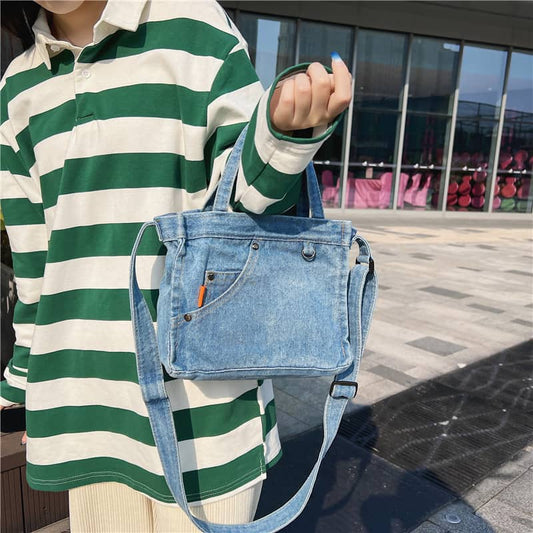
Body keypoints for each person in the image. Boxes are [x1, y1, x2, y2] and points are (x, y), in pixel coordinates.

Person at [0, 0, 352, 530]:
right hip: (86, 405)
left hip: (205, 412)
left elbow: (246, 213)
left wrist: (280, 139)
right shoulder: (18, 87)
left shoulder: (194, 25)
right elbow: (35, 269)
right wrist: (26, 386)